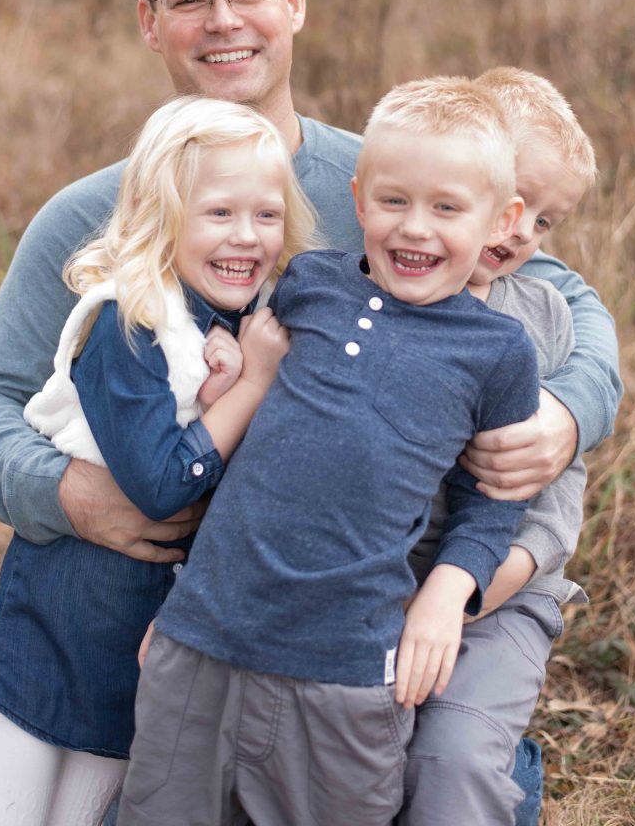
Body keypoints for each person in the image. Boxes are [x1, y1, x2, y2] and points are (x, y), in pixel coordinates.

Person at [0, 0, 621, 823]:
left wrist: (570, 409)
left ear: (293, 2)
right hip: (199, 595)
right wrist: (71, 494)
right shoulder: (92, 216)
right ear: (149, 23)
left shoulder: (380, 175)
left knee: (406, 770)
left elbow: (552, 294)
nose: (223, 20)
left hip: (366, 590)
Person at [116, 76, 539, 826]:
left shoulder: (497, 351)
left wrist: (448, 591)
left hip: (344, 671)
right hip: (203, 639)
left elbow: (495, 497)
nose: (415, 229)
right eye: (393, 201)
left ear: (501, 219)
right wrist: (185, 598)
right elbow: (244, 443)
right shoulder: (306, 285)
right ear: (357, 199)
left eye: (446, 208)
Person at [0, 97, 318, 826]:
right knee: (8, 819)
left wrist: (231, 380)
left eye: (265, 215)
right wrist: (252, 384)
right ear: (161, 218)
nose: (246, 237)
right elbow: (164, 484)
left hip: (140, 643)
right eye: (218, 214)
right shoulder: (127, 322)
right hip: (61, 619)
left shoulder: (226, 324)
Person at [400, 67, 599, 825]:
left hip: (503, 593)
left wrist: (461, 599)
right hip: (374, 581)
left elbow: (552, 513)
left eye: (544, 222)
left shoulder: (540, 317)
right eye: (515, 199)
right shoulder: (373, 288)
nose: (520, 230)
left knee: (452, 760)